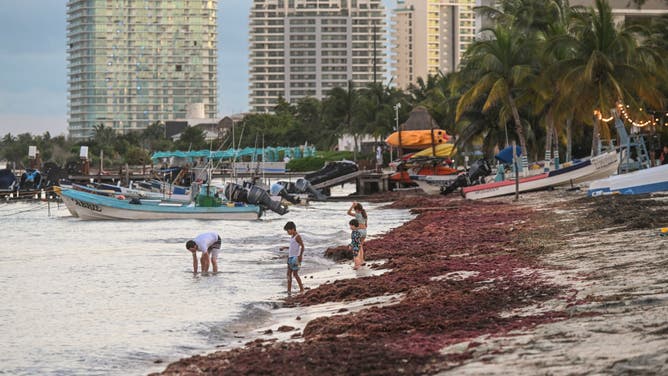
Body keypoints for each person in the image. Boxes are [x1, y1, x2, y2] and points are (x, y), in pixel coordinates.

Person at [280, 221, 305, 296]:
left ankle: (301, 288)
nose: (287, 232)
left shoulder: (298, 236)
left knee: (295, 274)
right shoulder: (292, 237)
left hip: (295, 258)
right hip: (290, 257)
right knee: (288, 274)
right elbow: (292, 247)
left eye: (288, 230)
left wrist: (300, 256)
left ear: (293, 229)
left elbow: (302, 246)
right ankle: (289, 290)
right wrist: (285, 247)